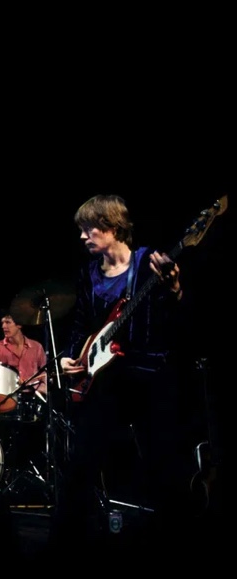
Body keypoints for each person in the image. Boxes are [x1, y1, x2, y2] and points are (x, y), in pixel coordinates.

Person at [54, 193, 192, 559]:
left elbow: (175, 319)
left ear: (113, 227)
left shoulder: (148, 263)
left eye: (89, 229)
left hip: (148, 374)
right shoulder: (89, 274)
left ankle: (177, 543)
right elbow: (82, 324)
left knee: (163, 464)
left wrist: (174, 289)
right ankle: (66, 548)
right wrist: (71, 356)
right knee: (81, 462)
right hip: (105, 380)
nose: (83, 236)